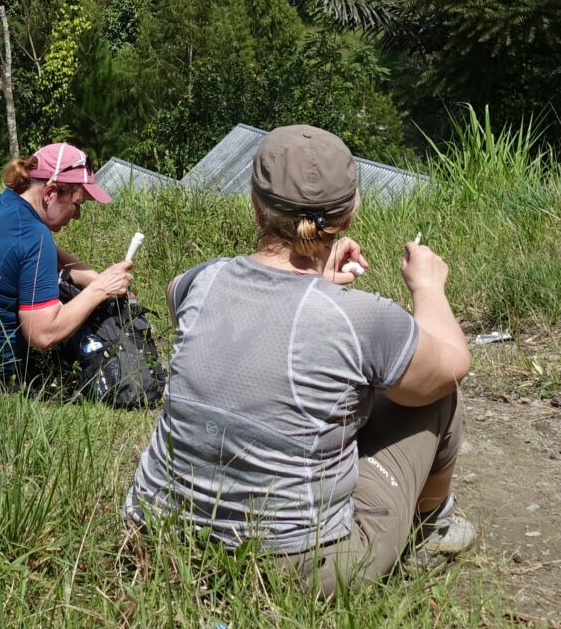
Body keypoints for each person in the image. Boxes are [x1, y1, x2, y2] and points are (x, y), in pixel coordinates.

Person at [125, 124, 473, 596]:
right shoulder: (359, 318)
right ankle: (430, 529)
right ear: (348, 215)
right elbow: (451, 365)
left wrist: (315, 282)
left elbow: (202, 305)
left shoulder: (199, 282)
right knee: (435, 394)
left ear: (256, 206)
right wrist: (427, 287)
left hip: (157, 536)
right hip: (295, 568)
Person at [0, 141, 132, 377]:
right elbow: (42, 336)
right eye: (77, 204)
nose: (78, 216)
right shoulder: (34, 236)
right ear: (50, 193)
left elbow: (30, 252)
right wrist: (100, 290)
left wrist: (95, 278)